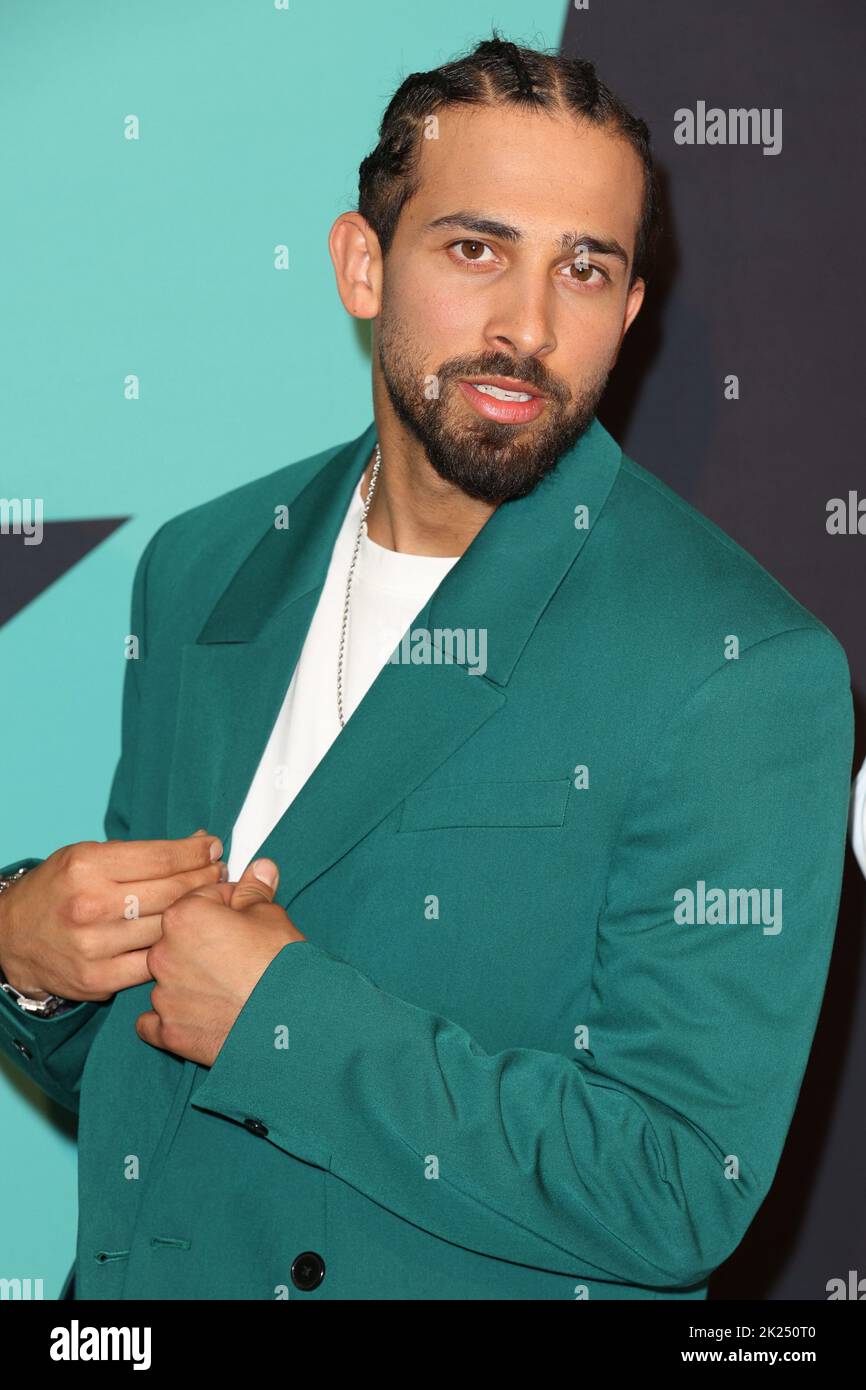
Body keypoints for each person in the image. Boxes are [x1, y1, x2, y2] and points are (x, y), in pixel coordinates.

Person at [0, 35, 854, 1301]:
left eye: (583, 267)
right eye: (474, 248)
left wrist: (289, 1019)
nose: (524, 324)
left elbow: (678, 1184)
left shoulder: (739, 669)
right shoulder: (203, 566)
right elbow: (160, 1055)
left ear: (628, 311)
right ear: (361, 264)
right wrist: (26, 961)